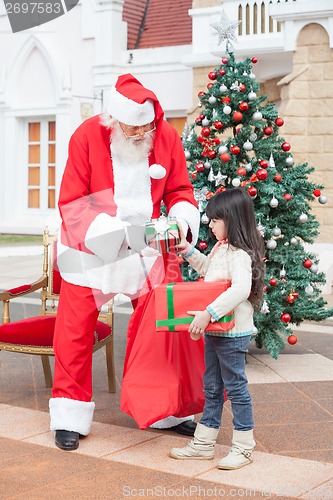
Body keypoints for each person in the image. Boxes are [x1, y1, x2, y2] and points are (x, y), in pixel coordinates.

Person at [50, 73, 201, 451]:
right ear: (114, 120)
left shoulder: (166, 136)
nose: (139, 134)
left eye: (145, 127)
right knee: (74, 330)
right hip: (92, 245)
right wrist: (113, 234)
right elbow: (72, 201)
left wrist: (181, 220)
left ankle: (168, 408)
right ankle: (70, 413)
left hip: (149, 246)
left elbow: (180, 189)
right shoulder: (86, 135)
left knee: (165, 326)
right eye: (132, 127)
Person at [169, 187, 265, 470]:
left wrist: (208, 313)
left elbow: (240, 289)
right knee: (212, 388)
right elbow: (210, 271)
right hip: (217, 330)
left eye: (214, 220)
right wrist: (188, 251)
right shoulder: (222, 249)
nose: (209, 225)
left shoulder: (240, 254)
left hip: (232, 333)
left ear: (232, 219)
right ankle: (204, 443)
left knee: (235, 389)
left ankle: (244, 447)